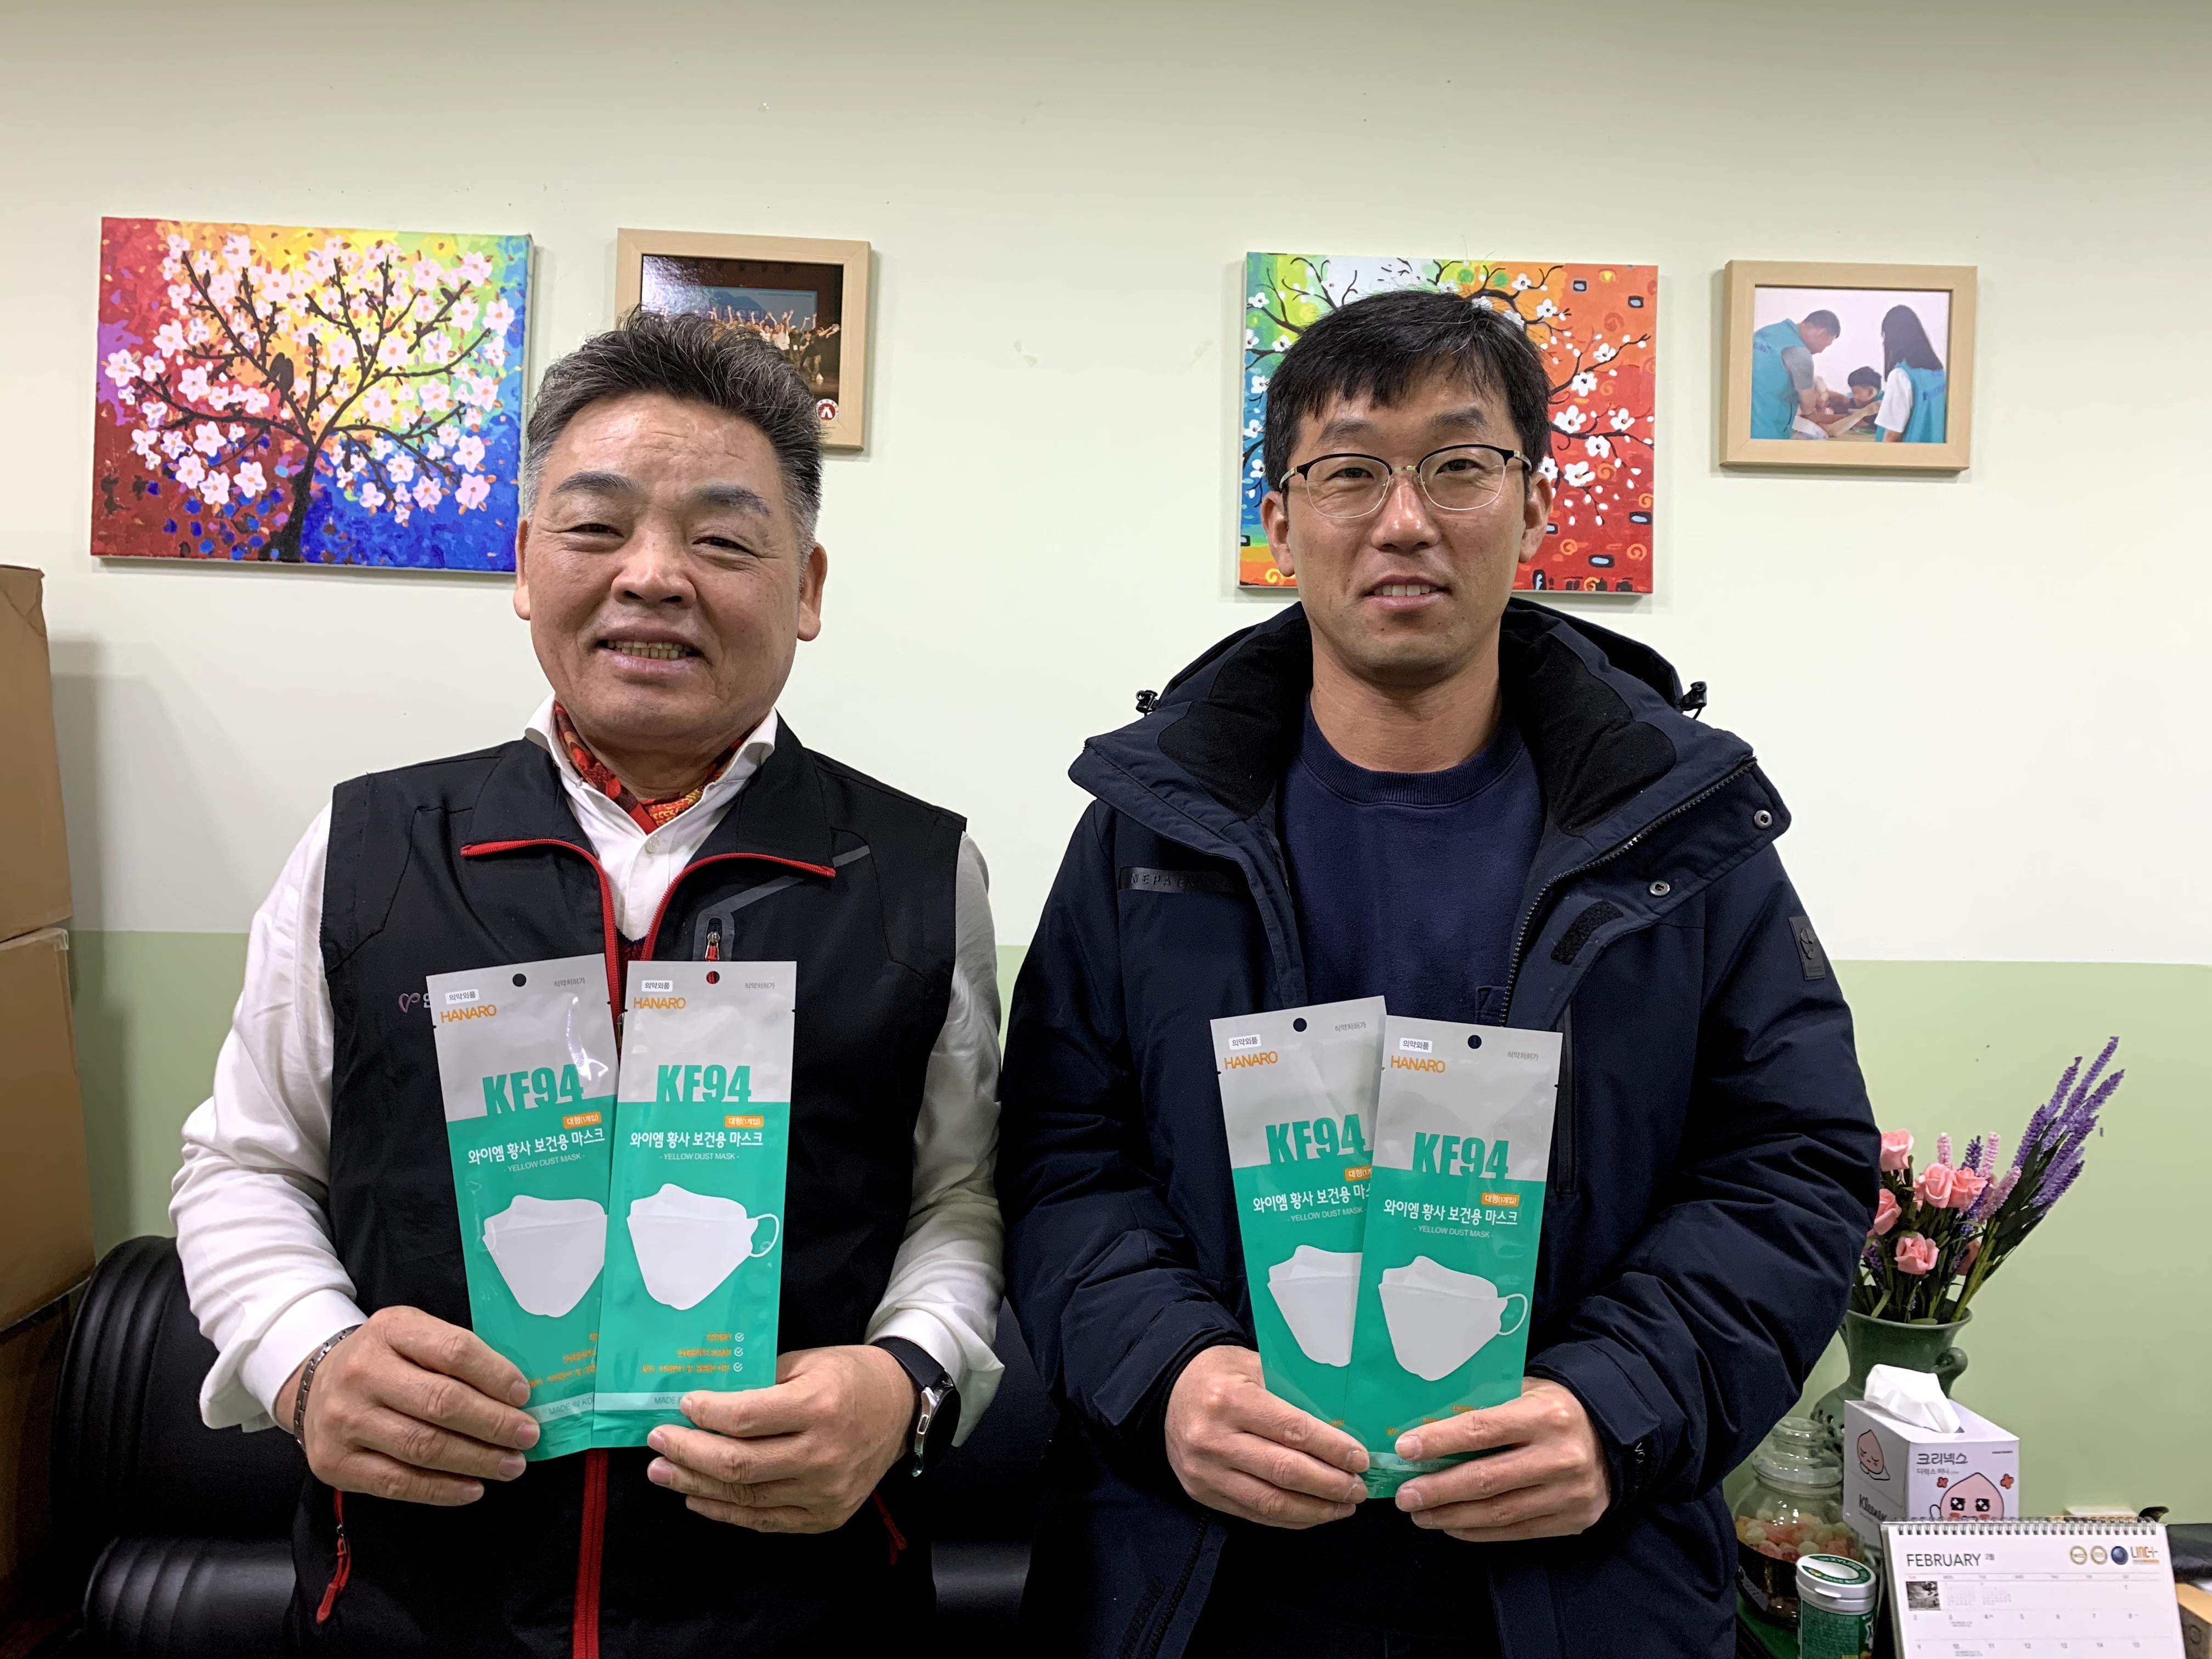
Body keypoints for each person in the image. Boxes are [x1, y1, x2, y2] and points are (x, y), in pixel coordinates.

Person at [997, 289, 1878, 1657]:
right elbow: (1062, 1152)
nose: (1404, 520)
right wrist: (1169, 1374)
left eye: (1460, 465)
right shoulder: (1149, 829)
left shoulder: (1674, 832)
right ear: (1281, 521)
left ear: (1534, 509)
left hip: (1578, 1586)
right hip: (1191, 1583)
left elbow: (1793, 1161)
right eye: (1349, 472)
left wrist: (1615, 1402)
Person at [171, 310, 1005, 1655]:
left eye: (723, 540)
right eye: (597, 526)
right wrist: (303, 1359)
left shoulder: (916, 870)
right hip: (415, 1609)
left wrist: (909, 1380)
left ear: (806, 588)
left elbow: (958, 1197)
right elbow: (246, 1163)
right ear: (524, 564)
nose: (653, 576)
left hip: (798, 1611)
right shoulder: (369, 847)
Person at [1748, 307, 1841, 439]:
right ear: (1821, 333)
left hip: (1743, 426)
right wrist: (1816, 393)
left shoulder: (1764, 333)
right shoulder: (1800, 353)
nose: (1821, 351)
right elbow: (1808, 407)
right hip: (1769, 432)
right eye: (1826, 345)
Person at [1874, 303, 1949, 443]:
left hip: (1908, 454)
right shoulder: (1939, 372)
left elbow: (1892, 435)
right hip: (1936, 452)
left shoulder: (1901, 376)